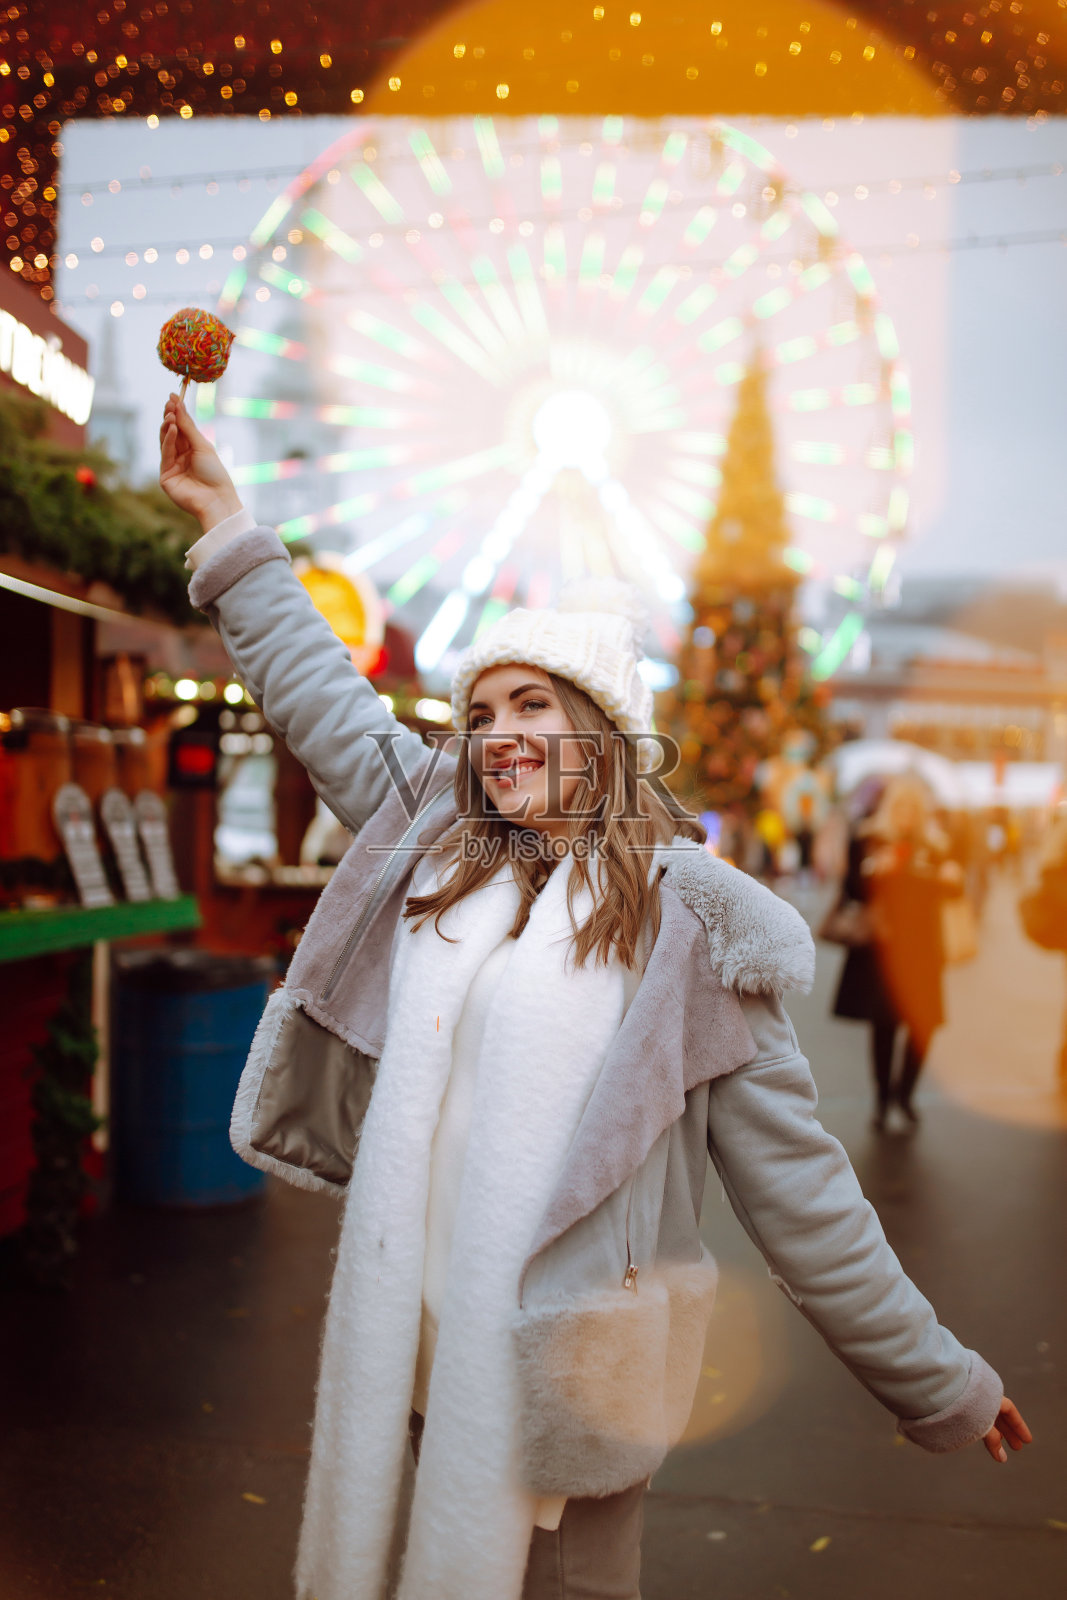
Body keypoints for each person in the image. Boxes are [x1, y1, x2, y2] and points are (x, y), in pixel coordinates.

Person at [160, 395, 1031, 1600]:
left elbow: (803, 1197)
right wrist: (227, 526)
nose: (494, 736)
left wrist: (935, 1377)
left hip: (569, 1374)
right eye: (479, 713)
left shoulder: (694, 927)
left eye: (531, 707)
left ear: (604, 731)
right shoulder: (436, 841)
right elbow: (322, 699)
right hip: (410, 1355)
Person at [832, 775, 961, 1130]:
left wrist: (950, 879)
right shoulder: (868, 840)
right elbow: (852, 891)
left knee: (925, 1025)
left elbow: (948, 893)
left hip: (923, 949)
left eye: (914, 807)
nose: (907, 814)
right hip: (883, 950)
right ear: (890, 808)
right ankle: (882, 1099)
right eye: (900, 806)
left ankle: (905, 1093)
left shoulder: (934, 846)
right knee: (884, 1026)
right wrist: (876, 872)